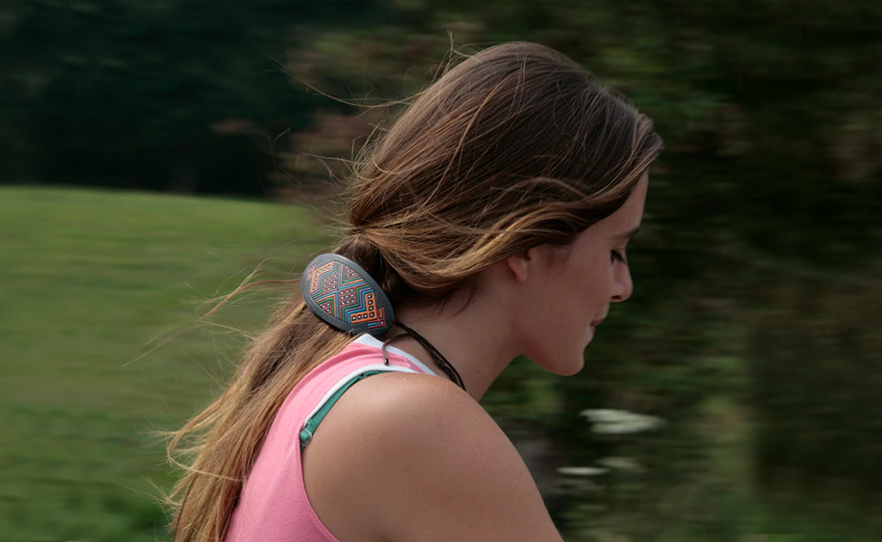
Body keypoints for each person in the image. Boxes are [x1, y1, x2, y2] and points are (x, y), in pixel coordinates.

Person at [167, 41, 662, 542]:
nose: (623, 286)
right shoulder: (414, 423)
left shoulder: (342, 380)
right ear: (526, 245)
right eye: (615, 251)